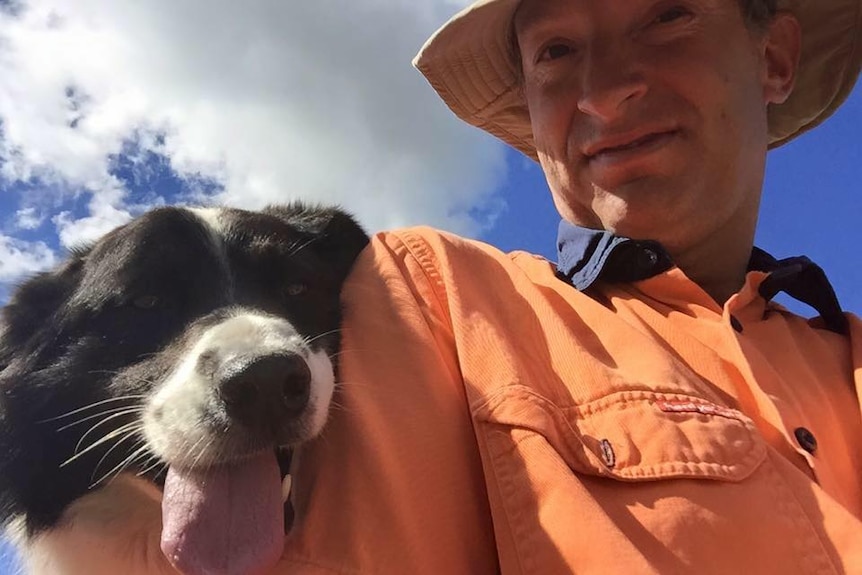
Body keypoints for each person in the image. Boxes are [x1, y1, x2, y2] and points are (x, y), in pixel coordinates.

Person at [28, 0, 861, 573]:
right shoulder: (430, 295)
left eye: (668, 15)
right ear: (532, 110)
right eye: (557, 52)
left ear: (775, 57)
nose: (606, 90)